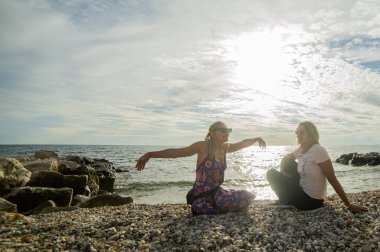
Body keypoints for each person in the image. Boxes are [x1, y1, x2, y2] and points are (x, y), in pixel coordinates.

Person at [135, 121, 266, 215]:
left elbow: (242, 144)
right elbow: (177, 152)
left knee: (248, 196)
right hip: (202, 195)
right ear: (212, 133)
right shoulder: (203, 147)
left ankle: (221, 206)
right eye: (223, 130)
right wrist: (150, 154)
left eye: (228, 131)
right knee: (213, 206)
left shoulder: (225, 148)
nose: (227, 133)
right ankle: (204, 207)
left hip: (218, 192)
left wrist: (257, 139)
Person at [266, 121, 368, 213]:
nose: (298, 134)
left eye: (302, 132)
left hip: (311, 201)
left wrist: (349, 205)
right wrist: (282, 170)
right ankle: (286, 200)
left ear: (311, 135)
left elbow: (332, 178)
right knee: (289, 163)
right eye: (297, 131)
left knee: (271, 173)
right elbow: (286, 157)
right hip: (302, 190)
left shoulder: (318, 150)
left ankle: (286, 201)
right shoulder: (301, 150)